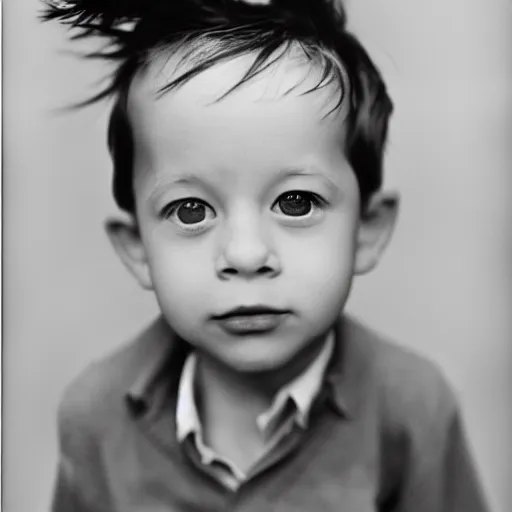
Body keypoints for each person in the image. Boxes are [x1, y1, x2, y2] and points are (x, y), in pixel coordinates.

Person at [42, 0, 490, 510]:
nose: (247, 255)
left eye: (295, 202)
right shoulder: (96, 418)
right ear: (138, 249)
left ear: (367, 228)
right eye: (191, 210)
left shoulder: (412, 411)